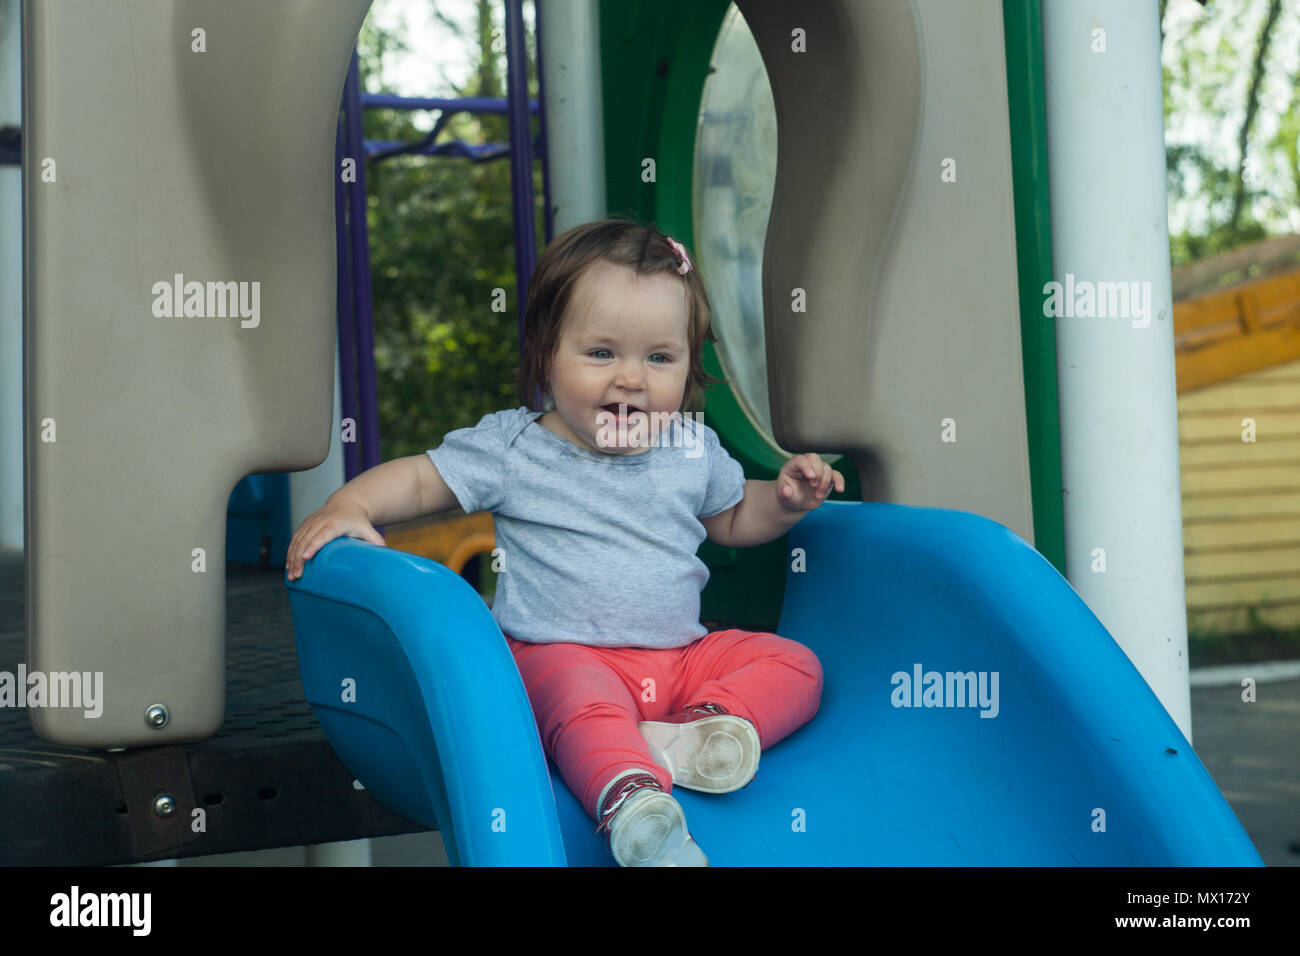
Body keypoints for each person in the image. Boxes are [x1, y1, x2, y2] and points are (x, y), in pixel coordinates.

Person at [285, 218, 842, 866]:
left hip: (679, 662)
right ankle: (635, 809)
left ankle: (699, 731)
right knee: (580, 706)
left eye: (659, 358)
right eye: (602, 353)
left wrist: (781, 501)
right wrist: (349, 504)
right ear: (547, 352)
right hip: (562, 654)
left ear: (689, 367)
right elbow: (417, 479)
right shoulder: (516, 448)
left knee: (798, 666)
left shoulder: (691, 447)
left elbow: (732, 521)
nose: (631, 378)